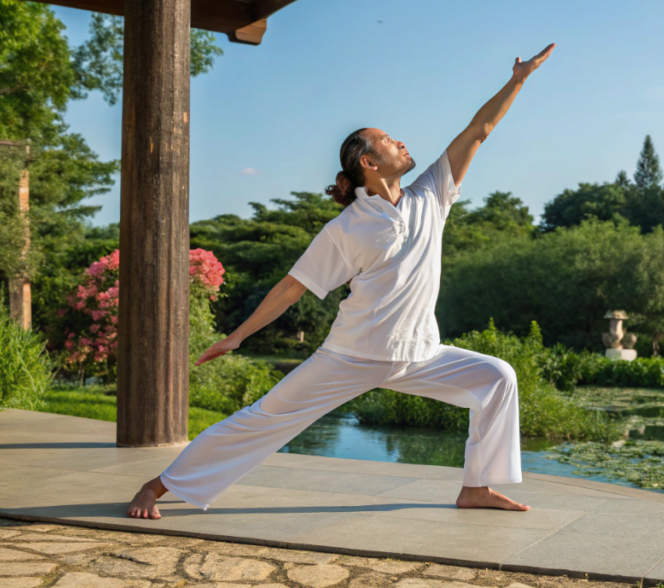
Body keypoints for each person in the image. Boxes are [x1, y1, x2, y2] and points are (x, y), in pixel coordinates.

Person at [126, 43, 556, 520]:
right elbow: (293, 287)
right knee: (261, 420)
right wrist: (238, 336)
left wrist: (518, 80)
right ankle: (156, 486)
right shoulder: (346, 228)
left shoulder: (431, 195)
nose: (402, 142)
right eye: (389, 140)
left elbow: (480, 130)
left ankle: (476, 487)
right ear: (368, 164)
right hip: (352, 354)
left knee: (498, 377)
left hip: (419, 353)